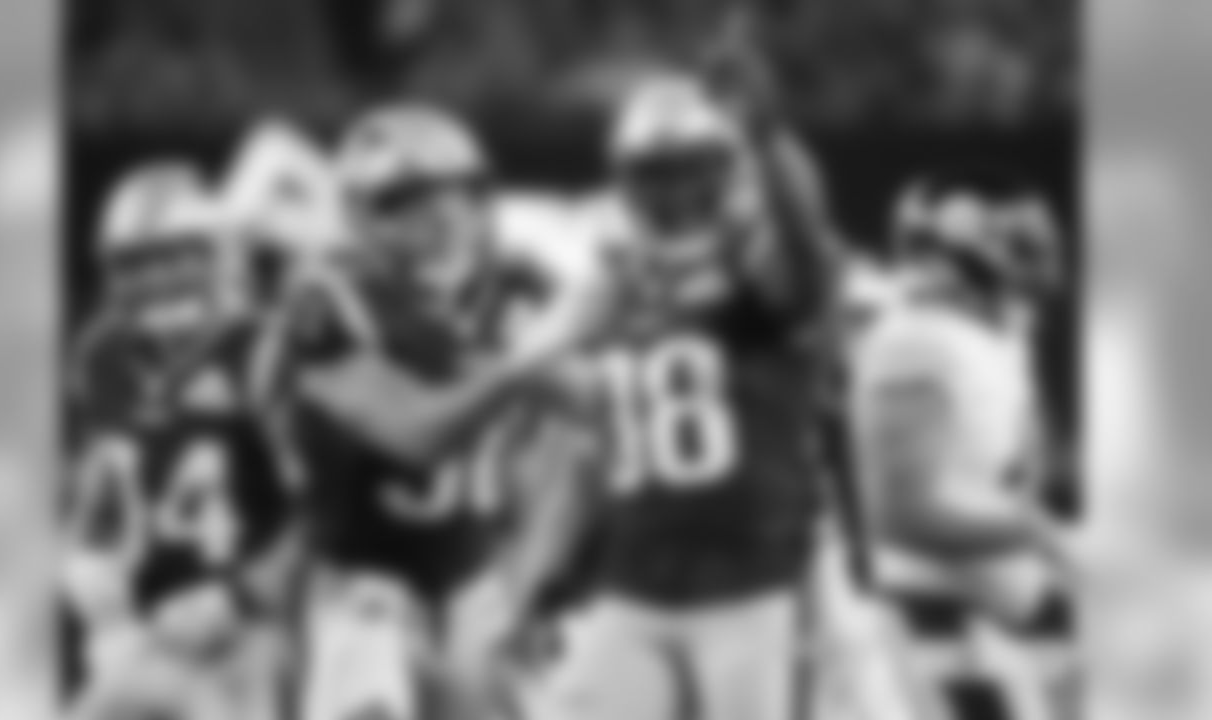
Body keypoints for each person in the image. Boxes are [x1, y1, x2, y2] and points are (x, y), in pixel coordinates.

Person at [253, 103, 609, 720]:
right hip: (356, 576)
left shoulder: (515, 288)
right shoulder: (326, 298)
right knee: (368, 676)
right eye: (404, 203)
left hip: (475, 576)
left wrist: (531, 579)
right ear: (357, 216)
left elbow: (588, 439)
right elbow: (412, 432)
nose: (440, 220)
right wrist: (522, 367)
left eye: (457, 195)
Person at [536, 73, 842, 720]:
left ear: (730, 173)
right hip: (633, 586)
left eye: (691, 171)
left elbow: (806, 251)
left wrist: (770, 138)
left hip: (753, 584)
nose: (675, 193)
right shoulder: (608, 287)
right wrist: (545, 574)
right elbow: (583, 441)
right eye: (656, 174)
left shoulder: (761, 280)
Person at [63, 162, 299, 720]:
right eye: (134, 264)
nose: (156, 280)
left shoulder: (264, 349)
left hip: (255, 625)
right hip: (144, 627)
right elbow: (101, 487)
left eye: (176, 257)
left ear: (218, 256)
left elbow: (330, 510)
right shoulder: (102, 358)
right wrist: (86, 569)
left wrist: (244, 595)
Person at [848, 169, 1072, 720]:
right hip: (914, 588)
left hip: (970, 573)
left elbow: (1019, 475)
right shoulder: (916, 338)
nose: (1040, 257)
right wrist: (1041, 535)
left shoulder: (994, 330)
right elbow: (900, 514)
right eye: (1018, 239)